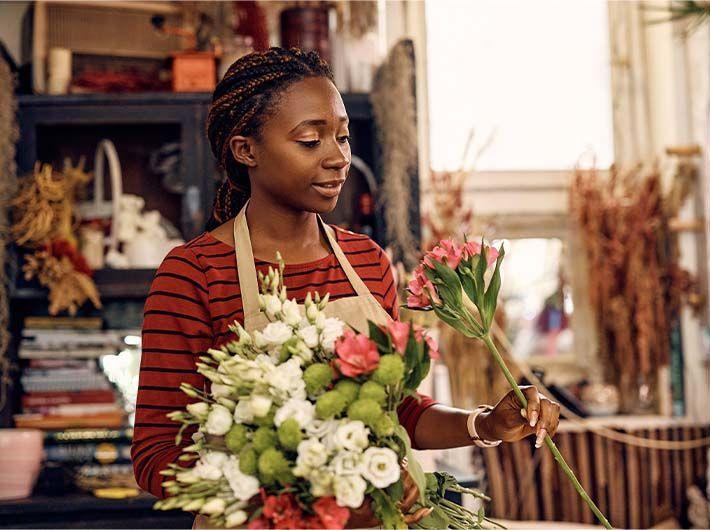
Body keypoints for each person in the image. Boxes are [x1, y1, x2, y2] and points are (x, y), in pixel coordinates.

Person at [131, 47, 561, 528]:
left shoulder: (367, 261)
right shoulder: (195, 273)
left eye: (342, 137)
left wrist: (485, 424)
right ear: (245, 150)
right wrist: (321, 497)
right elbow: (156, 458)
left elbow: (397, 411)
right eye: (311, 141)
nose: (338, 159)